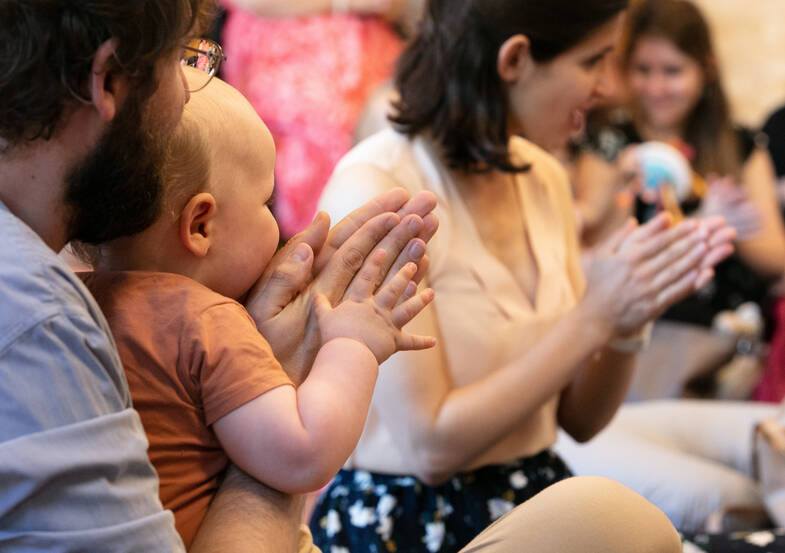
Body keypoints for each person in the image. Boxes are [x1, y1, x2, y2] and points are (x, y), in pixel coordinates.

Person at [0, 2, 442, 550]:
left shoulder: (80, 289)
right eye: (179, 58)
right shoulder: (59, 318)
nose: (191, 88)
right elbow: (303, 453)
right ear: (109, 79)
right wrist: (345, 344)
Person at [310, 1, 734, 552]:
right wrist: (593, 318)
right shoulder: (379, 187)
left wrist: (631, 313)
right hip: (410, 524)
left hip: (536, 495)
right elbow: (429, 447)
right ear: (514, 60)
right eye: (593, 61)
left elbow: (579, 420)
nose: (608, 88)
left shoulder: (545, 177)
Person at [575, 0, 785, 333]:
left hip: (731, 330)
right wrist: (702, 224)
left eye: (672, 71)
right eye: (643, 70)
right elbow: (599, 258)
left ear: (706, 68)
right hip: (650, 332)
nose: (655, 88)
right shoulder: (609, 146)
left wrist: (729, 226)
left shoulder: (739, 145)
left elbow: (776, 256)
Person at [219, 0, 422, 236]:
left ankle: (403, 229)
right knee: (327, 129)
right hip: (284, 44)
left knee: (402, 121)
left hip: (373, 47)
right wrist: (344, 3)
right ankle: (335, 237)